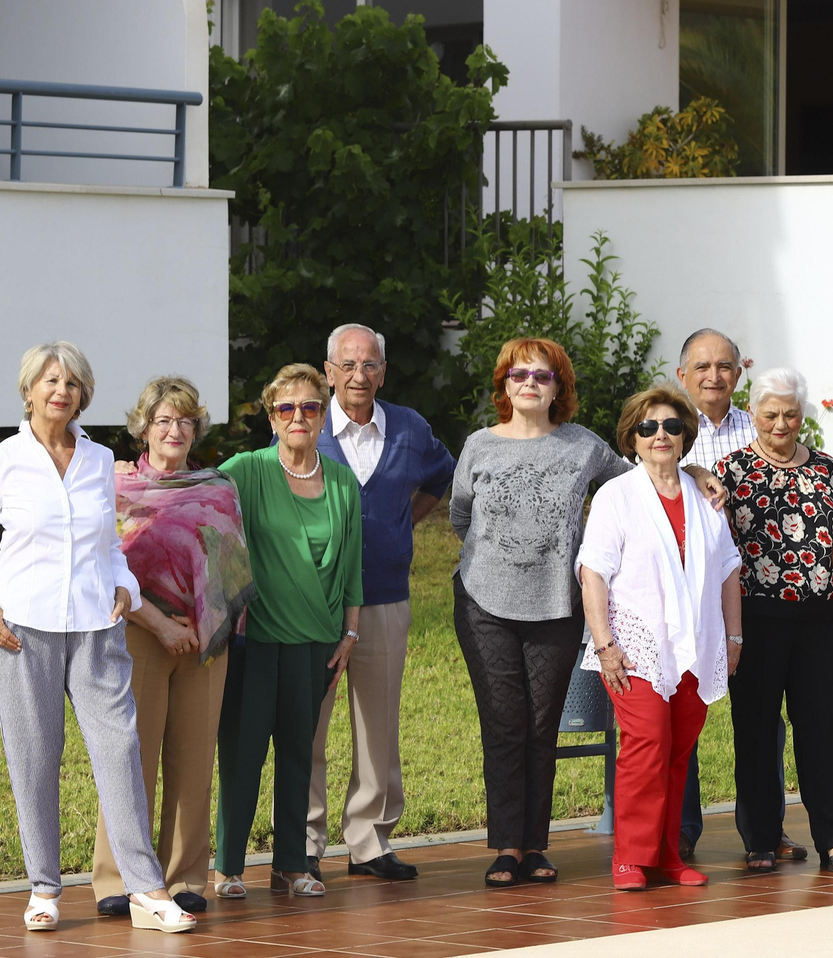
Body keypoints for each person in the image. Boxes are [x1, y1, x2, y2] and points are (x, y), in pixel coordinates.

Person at [450, 337, 725, 888]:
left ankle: (535, 846)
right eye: (518, 373)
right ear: (504, 384)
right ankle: (506, 847)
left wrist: (694, 474)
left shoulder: (582, 446)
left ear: (559, 387)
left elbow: (644, 471)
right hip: (484, 603)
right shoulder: (479, 446)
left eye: (542, 375)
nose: (529, 382)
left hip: (556, 605)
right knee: (505, 725)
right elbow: (461, 516)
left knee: (541, 727)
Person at [0, 342, 194, 933]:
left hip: (95, 628)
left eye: (74, 383)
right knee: (34, 757)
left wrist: (125, 588)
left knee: (120, 751)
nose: (63, 391)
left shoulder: (99, 458)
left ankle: (146, 890)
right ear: (29, 389)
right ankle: (44, 888)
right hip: (20, 630)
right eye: (52, 381)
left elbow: (108, 546)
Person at [92, 377, 255, 917]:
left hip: (204, 643)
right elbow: (99, 569)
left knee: (192, 760)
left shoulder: (218, 488)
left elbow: (233, 571)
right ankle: (120, 879)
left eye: (185, 421)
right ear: (143, 428)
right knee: (128, 758)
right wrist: (160, 622)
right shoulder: (114, 488)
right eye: (164, 420)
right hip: (137, 635)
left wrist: (203, 625)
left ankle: (186, 876)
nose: (175, 430)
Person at [306, 324, 455, 882]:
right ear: (328, 371)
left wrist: (402, 523)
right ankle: (305, 842)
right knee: (309, 724)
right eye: (346, 365)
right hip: (315, 604)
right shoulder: (307, 423)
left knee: (378, 723)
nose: (358, 376)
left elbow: (442, 477)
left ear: (383, 372)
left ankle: (369, 841)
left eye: (369, 366)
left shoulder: (410, 429)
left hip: (385, 597)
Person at [578, 386, 743, 890]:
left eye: (671, 426)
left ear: (685, 435)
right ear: (632, 437)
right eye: (648, 428)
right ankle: (630, 857)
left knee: (677, 751)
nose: (660, 436)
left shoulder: (704, 494)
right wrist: (605, 645)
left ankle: (668, 857)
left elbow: (728, 571)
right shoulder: (617, 496)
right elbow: (593, 573)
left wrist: (734, 639)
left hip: (697, 645)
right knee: (646, 743)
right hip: (635, 646)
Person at [215, 364, 363, 899]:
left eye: (310, 407)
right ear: (272, 417)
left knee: (301, 752)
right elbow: (193, 497)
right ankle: (229, 867)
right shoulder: (247, 470)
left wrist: (350, 634)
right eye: (286, 408)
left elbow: (352, 567)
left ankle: (291, 864)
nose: (298, 417)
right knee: (243, 752)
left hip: (318, 642)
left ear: (324, 415)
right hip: (255, 642)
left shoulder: (343, 480)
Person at [716, 367, 833, 874]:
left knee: (820, 728)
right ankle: (760, 839)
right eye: (770, 414)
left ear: (803, 415)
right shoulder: (730, 470)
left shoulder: (826, 468)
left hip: (817, 617)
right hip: (755, 617)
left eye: (791, 414)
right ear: (753, 415)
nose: (781, 423)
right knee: (755, 728)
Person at [674, 329, 801, 863]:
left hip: (758, 600)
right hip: (688, 599)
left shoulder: (762, 425)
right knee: (683, 720)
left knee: (761, 722)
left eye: (724, 366)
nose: (713, 376)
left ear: (739, 373)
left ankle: (764, 832)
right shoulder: (666, 427)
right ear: (682, 375)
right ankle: (679, 835)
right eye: (701, 367)